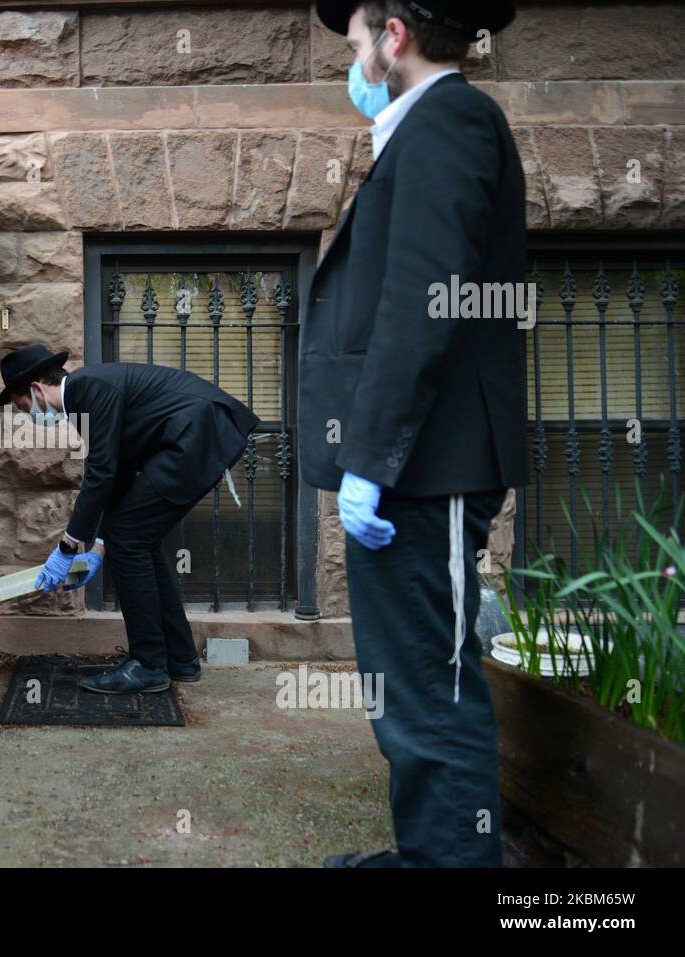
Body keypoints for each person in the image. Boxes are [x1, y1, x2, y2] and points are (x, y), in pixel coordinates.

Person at [302, 0, 529, 867]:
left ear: (393, 36)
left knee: (430, 687)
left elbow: (423, 299)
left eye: (356, 41)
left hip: (425, 469)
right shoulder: (431, 125)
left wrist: (372, 459)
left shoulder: (451, 119)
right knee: (407, 683)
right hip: (418, 466)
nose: (352, 62)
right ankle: (435, 853)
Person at [0, 344, 259, 693]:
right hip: (196, 438)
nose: (27, 413)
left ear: (37, 389)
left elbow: (101, 474)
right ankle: (179, 658)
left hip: (197, 435)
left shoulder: (88, 389)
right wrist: (99, 550)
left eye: (22, 405)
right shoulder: (86, 396)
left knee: (131, 541)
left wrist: (68, 546)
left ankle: (149, 664)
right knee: (137, 541)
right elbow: (116, 475)